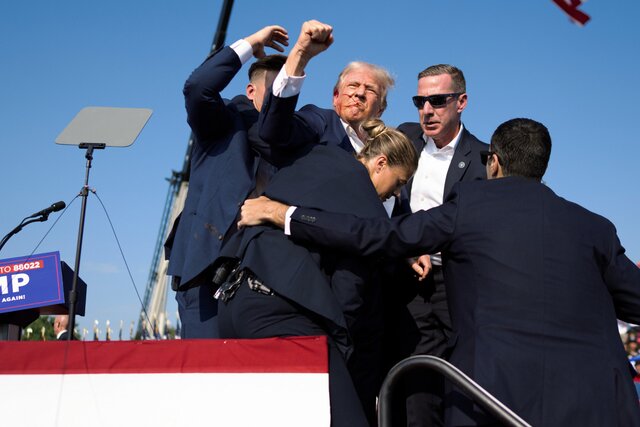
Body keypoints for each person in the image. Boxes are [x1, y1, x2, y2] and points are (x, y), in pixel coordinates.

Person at [238, 118, 640, 426]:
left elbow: (377, 235)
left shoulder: (470, 207)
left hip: (492, 399)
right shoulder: (595, 228)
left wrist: (286, 214)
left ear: (494, 162)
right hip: (601, 403)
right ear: (542, 166)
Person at [215, 119, 418, 426]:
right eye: (399, 182)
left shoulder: (319, 155)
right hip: (281, 315)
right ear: (381, 163)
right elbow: (350, 291)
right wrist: (342, 352)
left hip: (234, 301)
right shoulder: (368, 206)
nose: (397, 194)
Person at [163, 25, 289, 338]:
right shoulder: (224, 122)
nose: (280, 98)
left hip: (266, 279)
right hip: (207, 273)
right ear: (251, 92)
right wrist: (250, 43)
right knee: (207, 364)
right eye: (274, 89)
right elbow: (198, 87)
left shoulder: (293, 139)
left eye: (287, 91)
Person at [389, 64, 489, 426]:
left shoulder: (485, 159)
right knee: (417, 382)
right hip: (408, 279)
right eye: (420, 102)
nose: (427, 110)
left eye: (438, 101)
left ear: (461, 102)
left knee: (466, 381)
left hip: (460, 283)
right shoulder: (403, 139)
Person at [257, 20, 396, 216]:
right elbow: (274, 131)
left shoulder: (388, 152)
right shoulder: (319, 121)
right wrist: (300, 55)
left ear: (381, 109)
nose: (359, 93)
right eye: (353, 85)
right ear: (335, 97)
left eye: (370, 89)